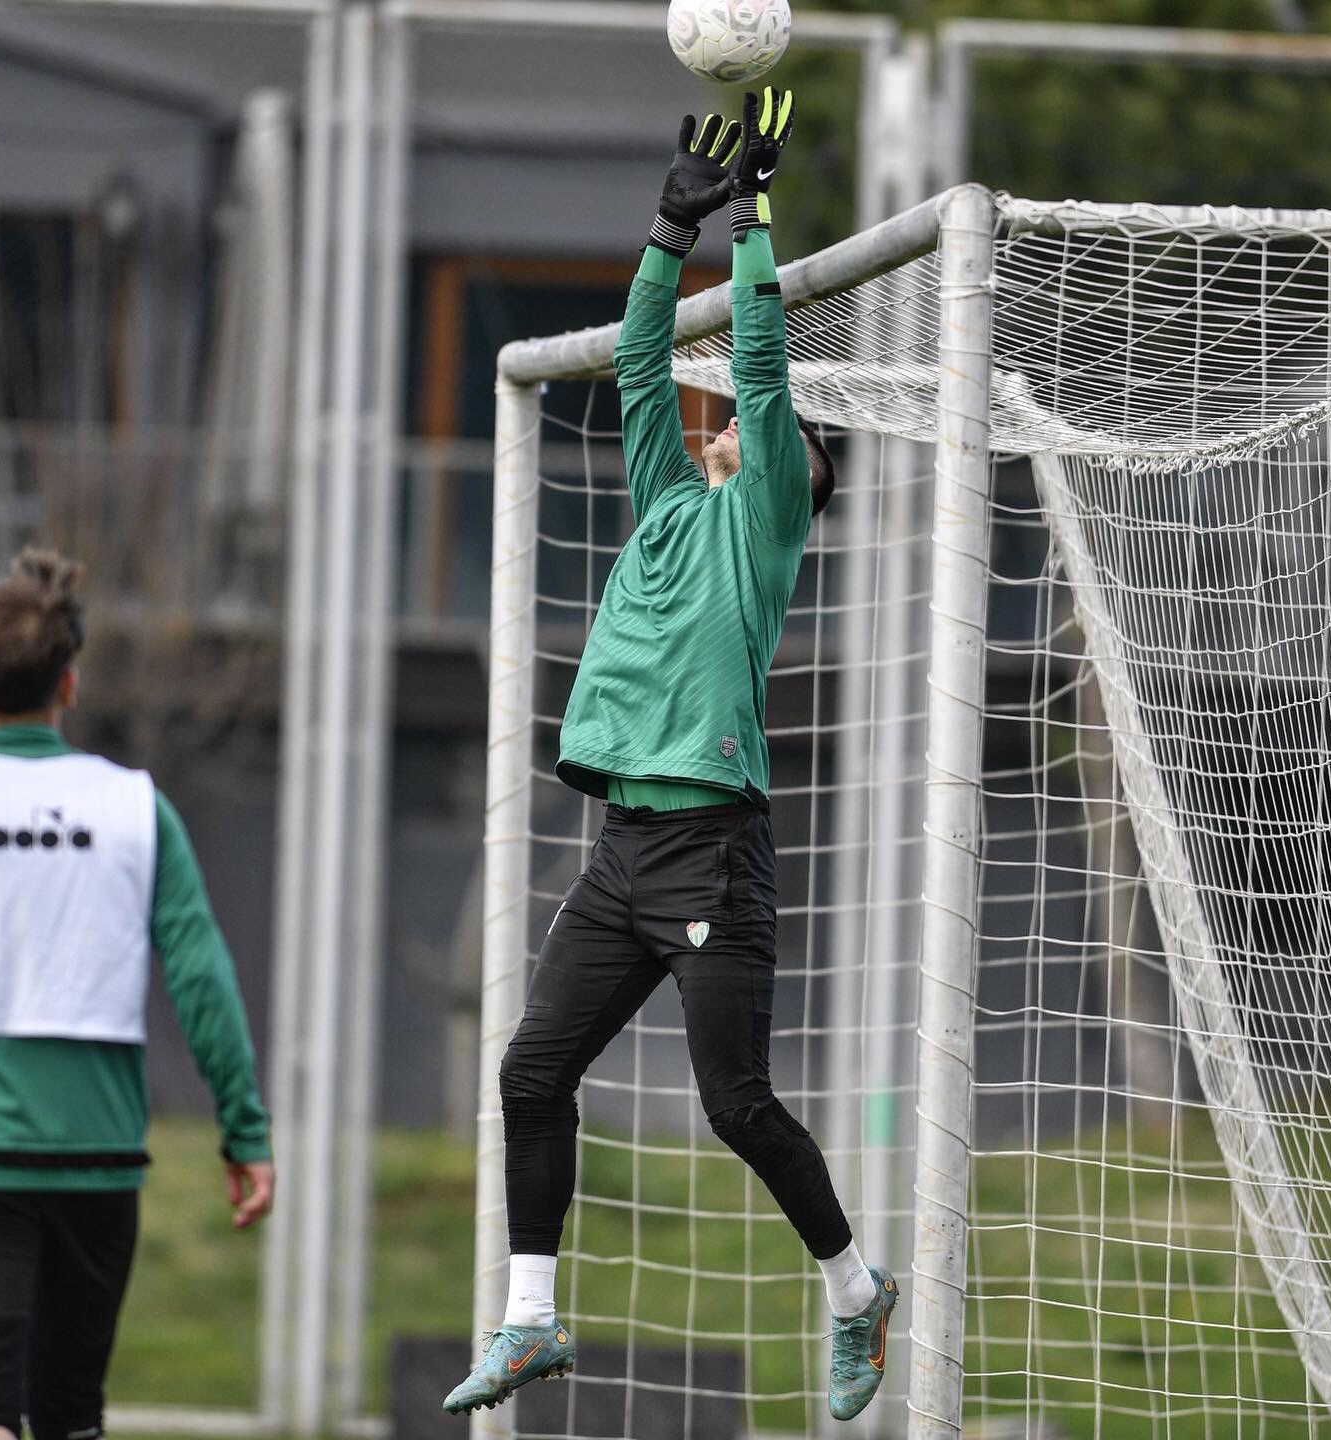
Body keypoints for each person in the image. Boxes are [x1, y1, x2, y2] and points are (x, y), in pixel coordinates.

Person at [444, 89, 897, 1423]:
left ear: (796, 480)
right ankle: (532, 1318)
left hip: (710, 851)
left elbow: (760, 362)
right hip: (622, 851)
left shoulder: (762, 525)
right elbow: (648, 362)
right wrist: (664, 232)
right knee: (532, 1072)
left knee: (738, 1105)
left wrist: (754, 222)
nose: (744, 424)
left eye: (785, 441)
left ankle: (858, 1289)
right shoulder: (664, 497)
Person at [0, 550, 273, 1440]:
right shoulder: (135, 807)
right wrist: (244, 1129)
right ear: (70, 683)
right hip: (97, 1157)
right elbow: (201, 975)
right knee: (68, 1414)